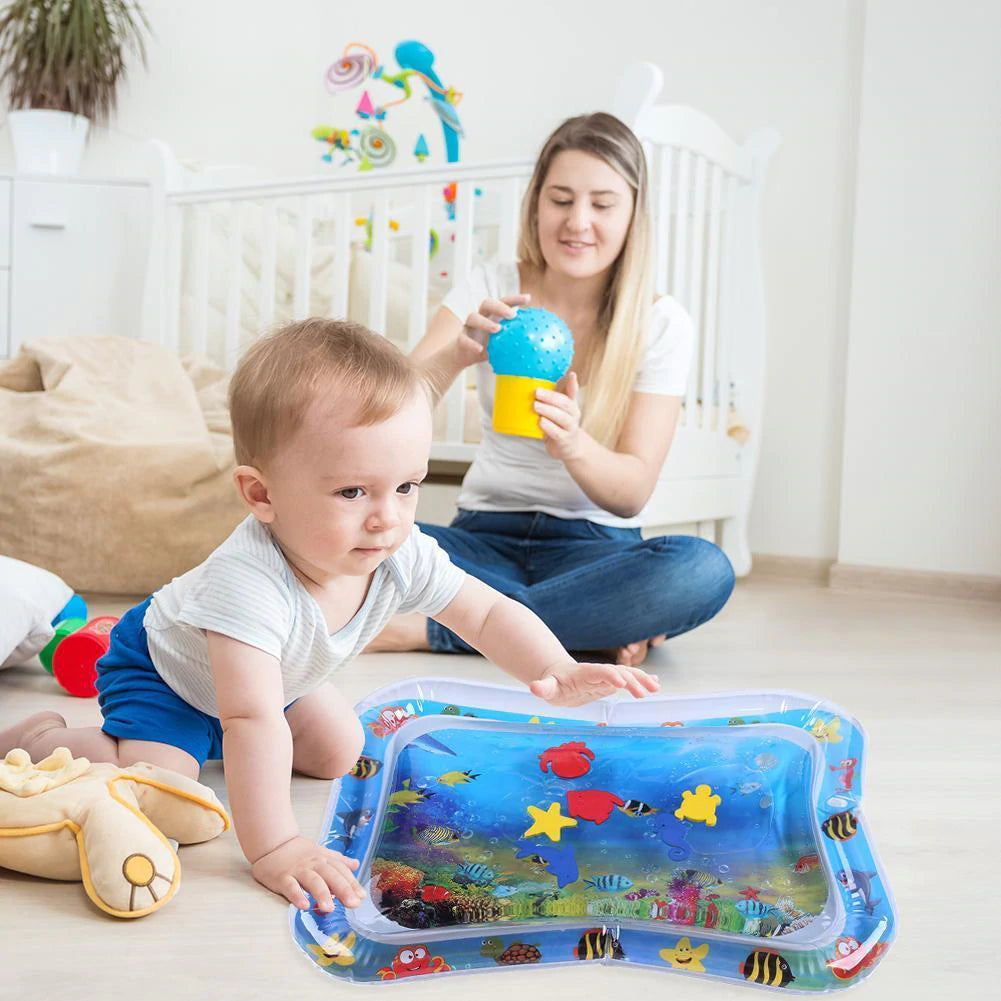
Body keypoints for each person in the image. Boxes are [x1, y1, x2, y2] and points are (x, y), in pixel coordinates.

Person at [0, 318, 659, 914]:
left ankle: (208, 747)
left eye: (406, 485)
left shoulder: (394, 546)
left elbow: (484, 612)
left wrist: (555, 666)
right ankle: (43, 737)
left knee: (337, 749)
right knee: (164, 784)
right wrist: (276, 845)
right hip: (166, 670)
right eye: (352, 491)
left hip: (273, 676)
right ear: (262, 494)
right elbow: (249, 718)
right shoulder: (246, 586)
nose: (387, 515)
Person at [367, 112, 735, 666]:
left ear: (633, 213)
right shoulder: (491, 285)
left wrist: (575, 445)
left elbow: (632, 492)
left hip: (593, 550)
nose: (577, 221)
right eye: (560, 199)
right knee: (339, 532)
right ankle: (581, 626)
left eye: (602, 204)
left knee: (702, 570)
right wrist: (457, 353)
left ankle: (435, 629)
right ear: (536, 203)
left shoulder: (661, 323)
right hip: (481, 540)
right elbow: (389, 414)